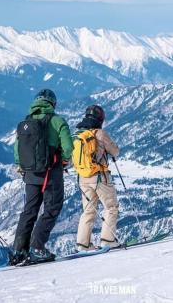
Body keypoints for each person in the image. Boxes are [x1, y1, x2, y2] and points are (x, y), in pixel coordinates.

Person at [11, 89, 73, 265]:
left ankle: (18, 251)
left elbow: (17, 151)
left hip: (30, 173)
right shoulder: (57, 121)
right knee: (52, 208)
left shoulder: (26, 122)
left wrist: (24, 167)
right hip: (51, 173)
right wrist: (64, 161)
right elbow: (68, 147)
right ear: (53, 103)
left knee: (29, 210)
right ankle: (37, 248)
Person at [73, 105, 121, 251]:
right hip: (99, 177)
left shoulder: (79, 134)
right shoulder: (100, 133)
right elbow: (115, 151)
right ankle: (107, 239)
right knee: (111, 207)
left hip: (83, 177)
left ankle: (83, 244)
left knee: (88, 211)